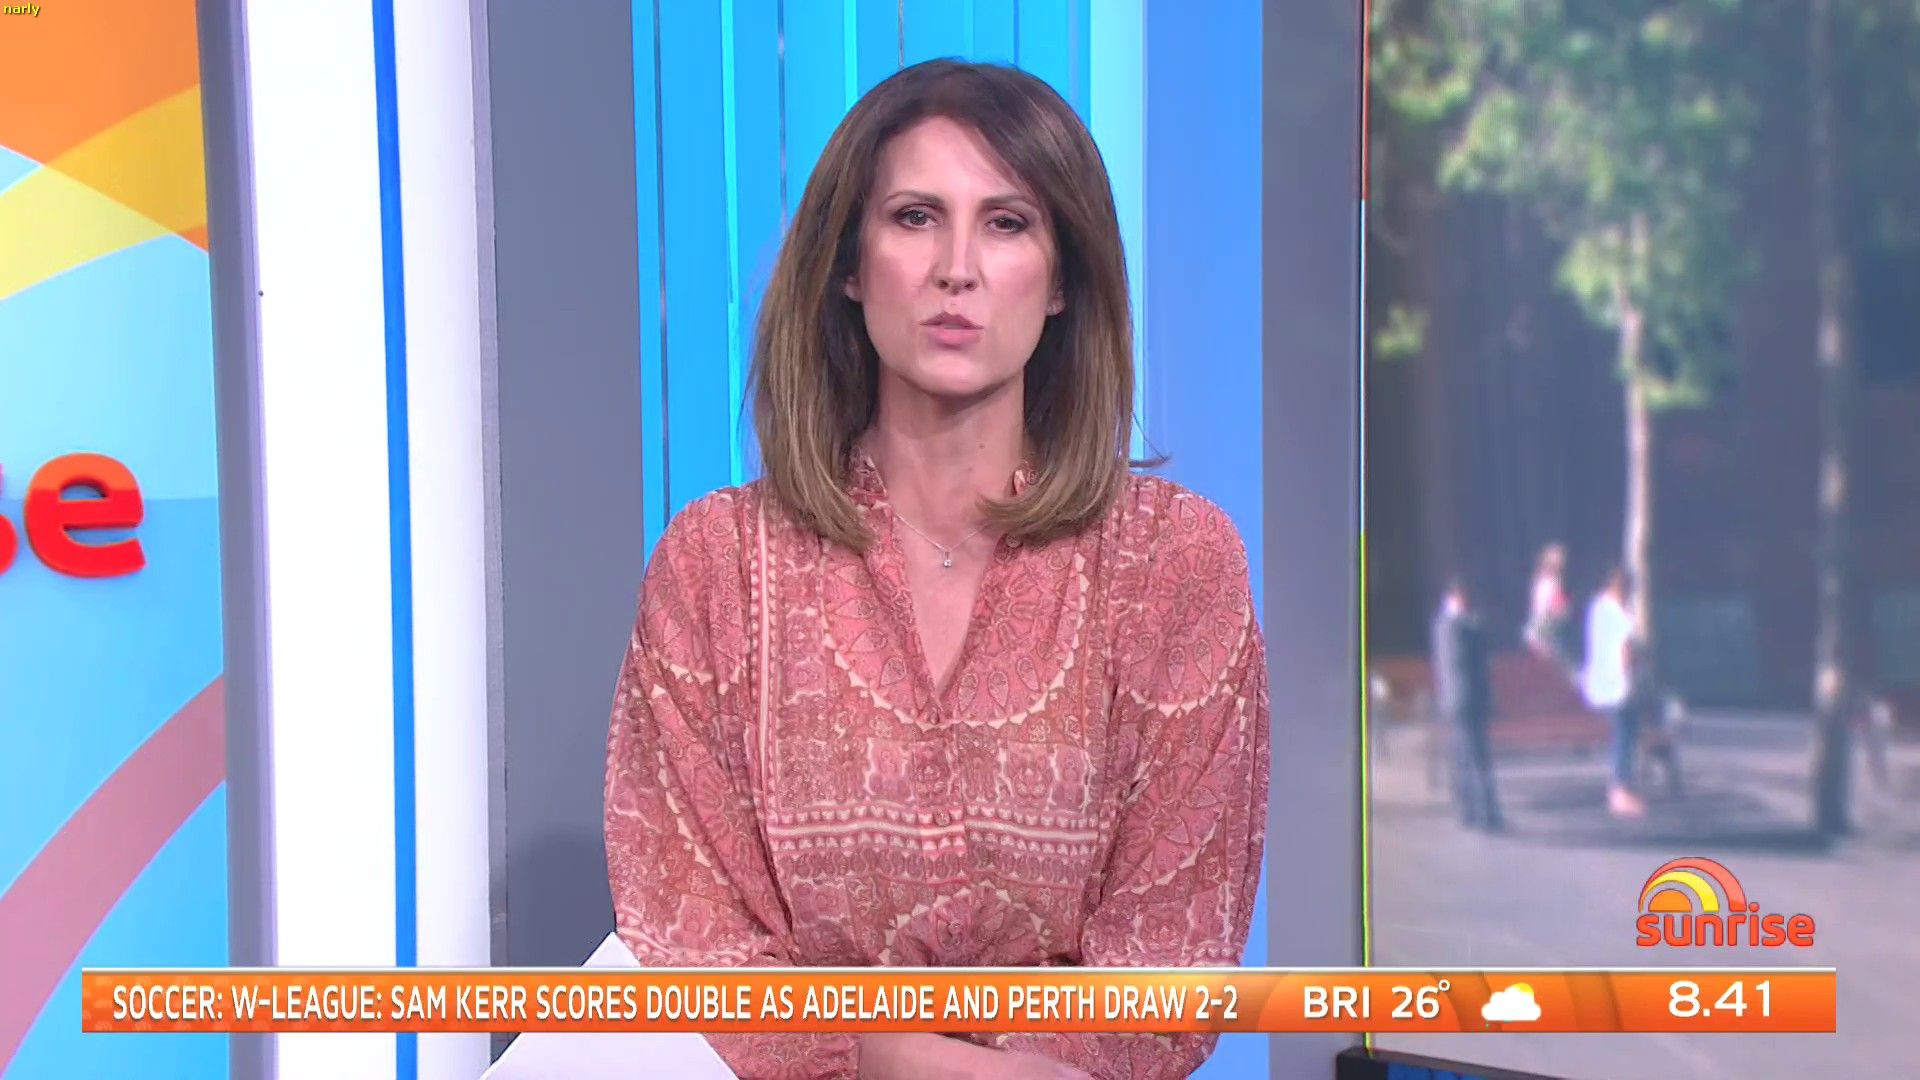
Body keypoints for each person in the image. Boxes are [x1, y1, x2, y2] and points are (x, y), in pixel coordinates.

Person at [604, 60, 1270, 1080]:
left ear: (1063, 281)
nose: (957, 268)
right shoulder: (716, 567)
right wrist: (892, 1061)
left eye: (1007, 223)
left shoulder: (1175, 566)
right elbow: (690, 950)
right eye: (916, 217)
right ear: (849, 264)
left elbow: (1165, 972)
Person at [1431, 577, 1503, 831]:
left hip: (1461, 700)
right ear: (1453, 598)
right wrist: (1477, 629)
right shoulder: (1453, 626)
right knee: (1475, 757)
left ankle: (1470, 811)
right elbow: (1466, 659)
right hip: (1464, 699)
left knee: (1466, 756)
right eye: (1463, 598)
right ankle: (1485, 812)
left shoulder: (1450, 624)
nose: (1467, 603)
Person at [1582, 567, 1646, 818]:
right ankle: (1620, 791)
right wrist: (1636, 667)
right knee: (1624, 737)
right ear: (1622, 588)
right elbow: (1626, 654)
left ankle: (1621, 788)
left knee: (1623, 734)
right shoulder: (1621, 615)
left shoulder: (1598, 608)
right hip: (1619, 686)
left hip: (1599, 684)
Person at [1522, 542, 1572, 674]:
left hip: (1542, 635)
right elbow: (1558, 610)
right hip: (1544, 636)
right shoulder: (1550, 584)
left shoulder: (1541, 582)